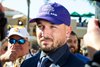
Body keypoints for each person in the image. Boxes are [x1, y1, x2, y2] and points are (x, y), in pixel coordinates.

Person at [21, 2, 85, 67]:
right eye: (40, 26)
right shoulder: (27, 64)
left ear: (67, 32)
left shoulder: (80, 65)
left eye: (52, 27)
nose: (45, 34)